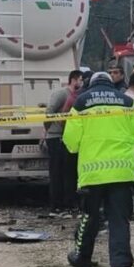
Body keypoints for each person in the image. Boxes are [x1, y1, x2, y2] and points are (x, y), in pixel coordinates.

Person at [64, 72, 134, 267]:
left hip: (93, 173)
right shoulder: (127, 102)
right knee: (119, 222)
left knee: (90, 218)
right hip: (122, 173)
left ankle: (83, 259)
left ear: (91, 85)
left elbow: (71, 142)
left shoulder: (81, 102)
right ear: (112, 84)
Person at [47, 70, 83, 215]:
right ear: (73, 80)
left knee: (68, 173)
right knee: (57, 173)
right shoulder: (62, 94)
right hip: (56, 137)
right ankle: (56, 206)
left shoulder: (77, 96)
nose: (81, 83)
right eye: (80, 80)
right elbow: (49, 111)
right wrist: (51, 128)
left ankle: (68, 204)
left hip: (68, 138)